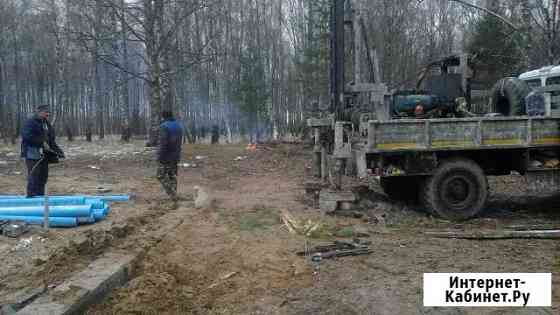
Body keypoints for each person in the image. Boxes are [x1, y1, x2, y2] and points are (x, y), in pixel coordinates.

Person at [20, 105, 65, 197]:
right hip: (32, 153)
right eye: (46, 112)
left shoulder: (46, 123)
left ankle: (40, 197)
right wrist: (41, 143)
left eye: (48, 113)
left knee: (43, 176)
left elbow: (50, 139)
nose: (48, 114)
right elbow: (27, 136)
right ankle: (31, 197)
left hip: (44, 154)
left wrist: (59, 151)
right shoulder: (30, 122)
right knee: (34, 176)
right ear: (39, 112)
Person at [157, 110, 183, 201]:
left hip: (166, 156)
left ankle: (172, 193)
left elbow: (163, 143)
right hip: (176, 155)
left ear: (163, 117)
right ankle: (174, 194)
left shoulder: (164, 126)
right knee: (173, 175)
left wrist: (160, 156)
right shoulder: (178, 125)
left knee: (160, 175)